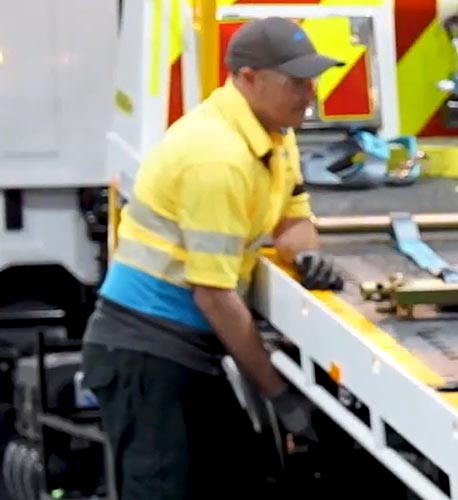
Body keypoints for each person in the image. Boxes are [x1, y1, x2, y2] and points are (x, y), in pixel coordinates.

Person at [80, 17, 348, 499]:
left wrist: (308, 255)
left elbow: (292, 218)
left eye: (313, 79)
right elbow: (214, 295)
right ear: (249, 78)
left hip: (185, 346)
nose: (310, 92)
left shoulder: (275, 133)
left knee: (238, 482)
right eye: (296, 81)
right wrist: (278, 392)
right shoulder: (217, 157)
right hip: (146, 352)